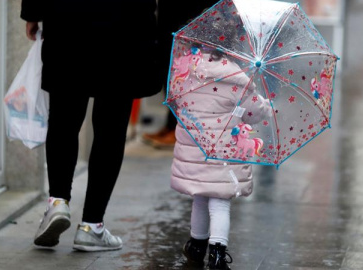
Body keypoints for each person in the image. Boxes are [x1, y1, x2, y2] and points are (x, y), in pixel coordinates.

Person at [21, 0, 161, 251]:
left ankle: (58, 202)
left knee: (64, 117)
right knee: (112, 127)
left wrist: (33, 10)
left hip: (68, 18)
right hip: (127, 24)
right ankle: (91, 226)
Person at [168, 21, 272, 269]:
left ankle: (196, 245)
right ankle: (217, 253)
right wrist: (265, 104)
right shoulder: (236, 78)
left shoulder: (185, 71)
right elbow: (253, 112)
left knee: (200, 197)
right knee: (220, 202)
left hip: (194, 147)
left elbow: (177, 102)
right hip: (223, 152)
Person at [141, 0, 219, 148]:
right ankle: (171, 125)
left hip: (187, 13)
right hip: (172, 12)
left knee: (181, 66)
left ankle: (178, 128)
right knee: (168, 61)